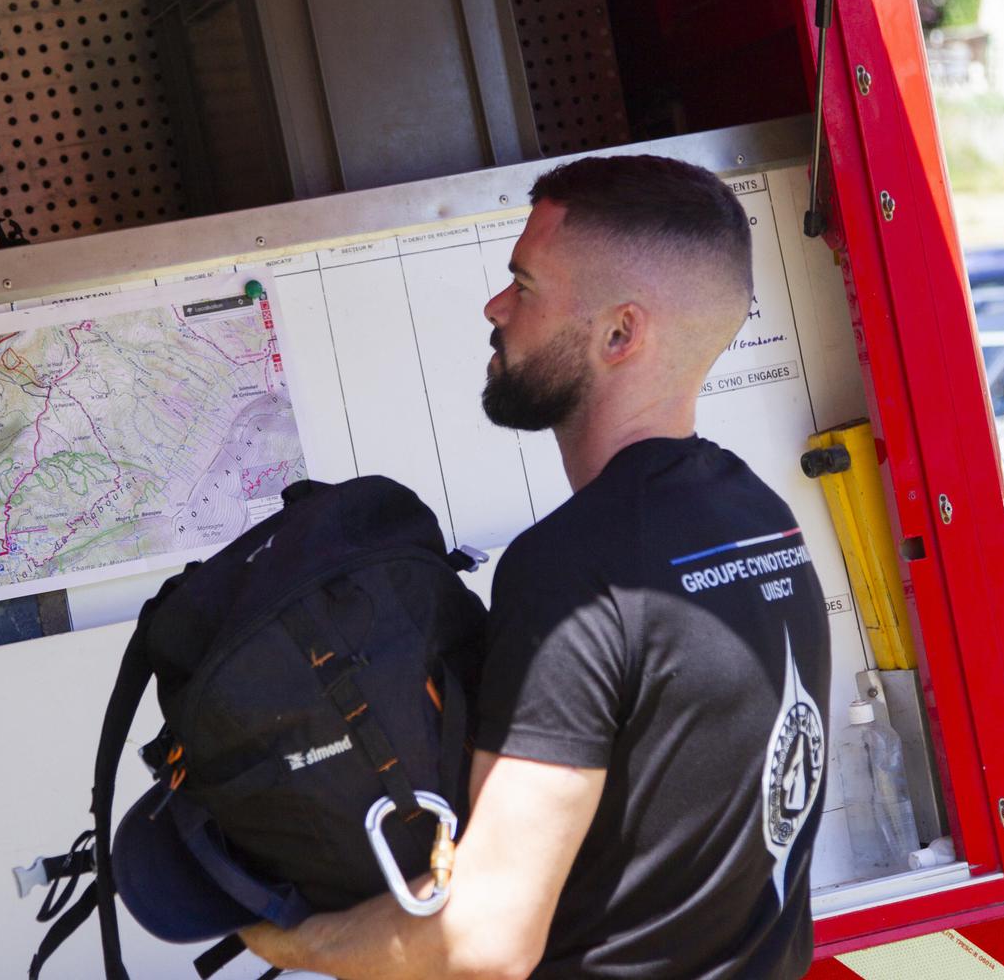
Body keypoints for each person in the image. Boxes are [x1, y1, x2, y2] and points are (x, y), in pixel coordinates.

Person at [242, 155, 832, 979]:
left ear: (620, 333)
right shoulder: (758, 517)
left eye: (524, 284)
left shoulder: (575, 570)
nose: (495, 306)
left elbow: (484, 941)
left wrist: (291, 940)